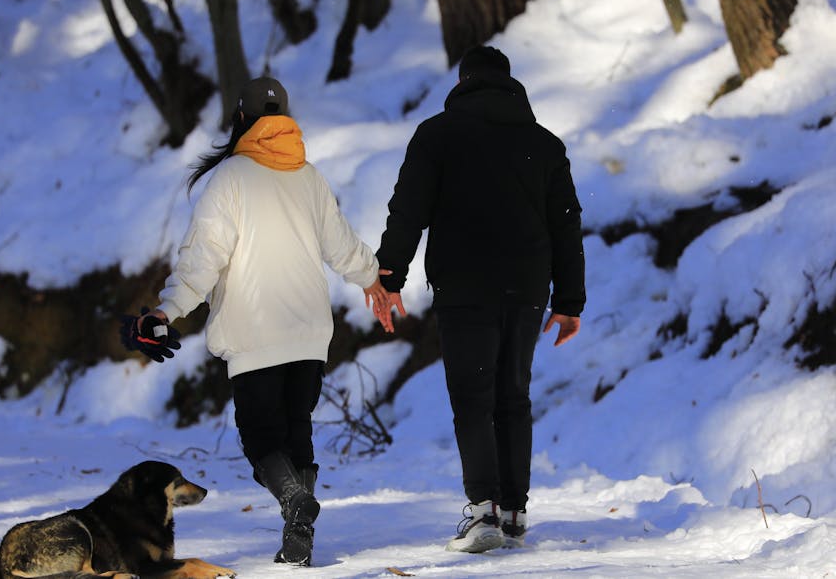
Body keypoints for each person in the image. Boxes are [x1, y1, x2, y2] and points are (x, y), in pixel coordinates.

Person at [140, 76, 392, 566]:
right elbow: (342, 247)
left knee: (260, 438)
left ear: (240, 120)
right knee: (297, 432)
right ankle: (298, 536)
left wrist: (165, 311)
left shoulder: (231, 179)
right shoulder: (309, 176)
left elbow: (201, 262)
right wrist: (372, 280)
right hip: (308, 332)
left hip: (256, 333)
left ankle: (296, 504)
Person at [373, 45, 586, 553]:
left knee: (473, 397)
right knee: (513, 394)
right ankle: (513, 511)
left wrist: (388, 275)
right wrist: (570, 300)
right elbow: (566, 226)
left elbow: (408, 210)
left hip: (465, 285)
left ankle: (484, 510)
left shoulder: (437, 135)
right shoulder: (545, 144)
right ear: (510, 84)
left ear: (463, 81)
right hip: (528, 287)